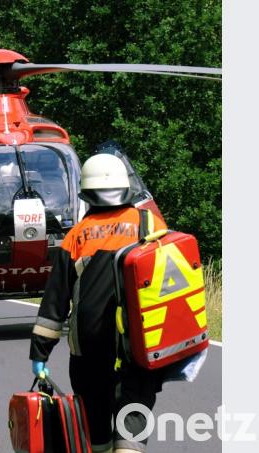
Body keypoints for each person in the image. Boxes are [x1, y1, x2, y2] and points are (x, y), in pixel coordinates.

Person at [29, 154, 167, 453]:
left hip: (90, 350)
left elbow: (55, 302)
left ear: (87, 193)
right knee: (133, 420)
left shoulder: (76, 236)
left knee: (97, 430)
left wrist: (40, 352)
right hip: (139, 347)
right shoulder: (150, 224)